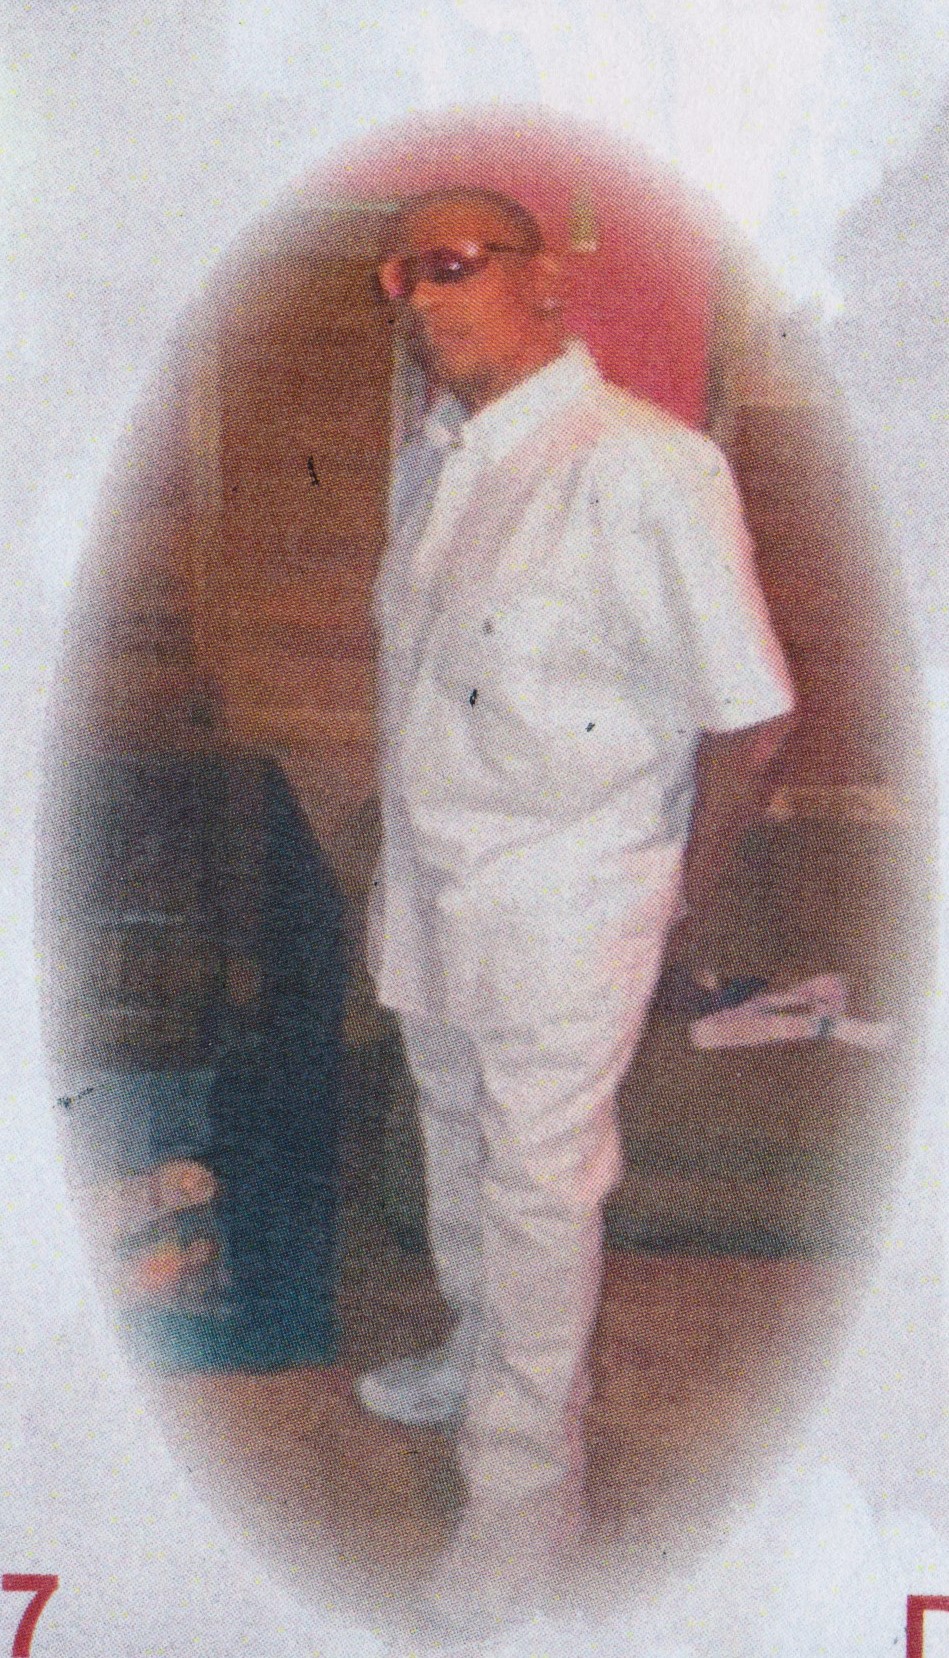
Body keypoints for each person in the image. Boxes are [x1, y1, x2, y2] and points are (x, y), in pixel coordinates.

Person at [359, 185, 795, 1638]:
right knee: (455, 1142)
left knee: (541, 1195)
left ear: (546, 279)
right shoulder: (434, 461)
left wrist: (672, 901)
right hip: (435, 884)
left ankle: (523, 1504)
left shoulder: (644, 468)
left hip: (568, 899)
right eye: (397, 277)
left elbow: (751, 720)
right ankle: (477, 1352)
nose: (419, 299)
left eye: (450, 264)